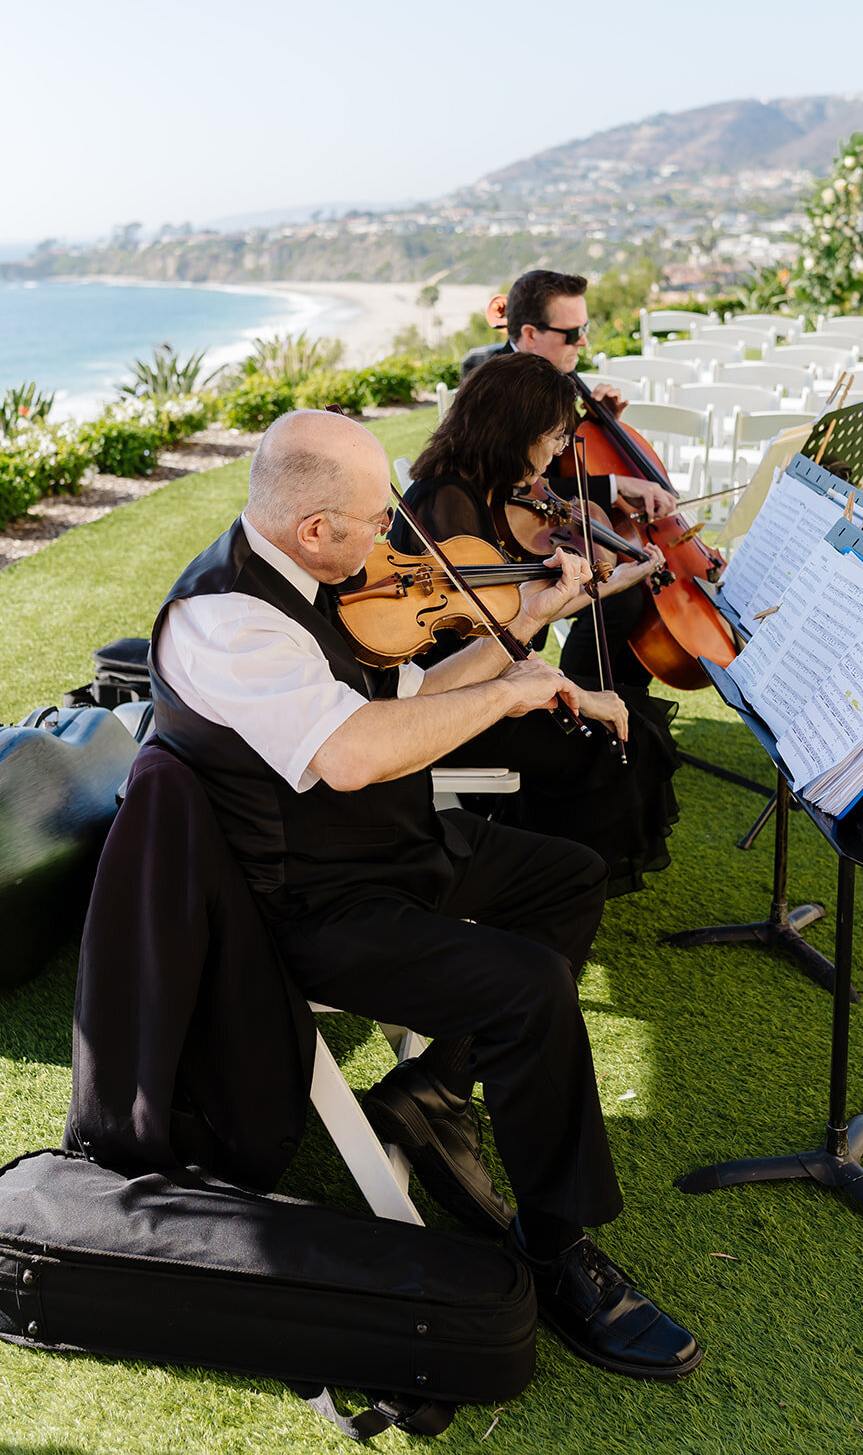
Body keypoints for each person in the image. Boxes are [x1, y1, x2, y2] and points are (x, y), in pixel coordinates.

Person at [149, 407, 701, 1383]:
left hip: (388, 848)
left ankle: (436, 1089)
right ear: (314, 526)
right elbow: (352, 752)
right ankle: (552, 1247)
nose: (390, 547)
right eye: (371, 522)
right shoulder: (227, 619)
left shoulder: (316, 577)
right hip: (306, 903)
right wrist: (507, 695)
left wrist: (524, 626)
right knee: (529, 985)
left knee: (567, 875)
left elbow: (407, 694)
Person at [392, 351, 680, 897]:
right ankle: (550, 883)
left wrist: (609, 582)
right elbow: (495, 635)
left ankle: (558, 869)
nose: (556, 454)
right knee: (611, 739)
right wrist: (572, 688)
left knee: (630, 720)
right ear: (515, 430)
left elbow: (512, 620)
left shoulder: (480, 490)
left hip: (488, 682)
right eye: (551, 438)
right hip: (449, 703)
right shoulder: (446, 503)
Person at [462, 269, 676, 687]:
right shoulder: (489, 378)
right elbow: (516, 487)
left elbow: (555, 462)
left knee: (634, 581)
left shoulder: (557, 374)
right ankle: (581, 691)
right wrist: (614, 487)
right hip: (506, 541)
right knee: (623, 593)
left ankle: (623, 698)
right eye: (573, 331)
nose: (583, 341)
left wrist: (595, 428)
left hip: (552, 519)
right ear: (529, 333)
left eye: (586, 328)